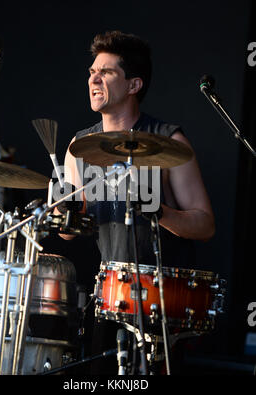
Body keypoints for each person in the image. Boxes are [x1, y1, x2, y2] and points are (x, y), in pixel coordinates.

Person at [56, 30, 215, 374]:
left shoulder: (168, 140)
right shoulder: (79, 146)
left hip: (161, 304)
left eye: (106, 72)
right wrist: (62, 214)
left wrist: (157, 210)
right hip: (107, 296)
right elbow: (69, 233)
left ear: (133, 85)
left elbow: (205, 224)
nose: (93, 78)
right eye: (91, 72)